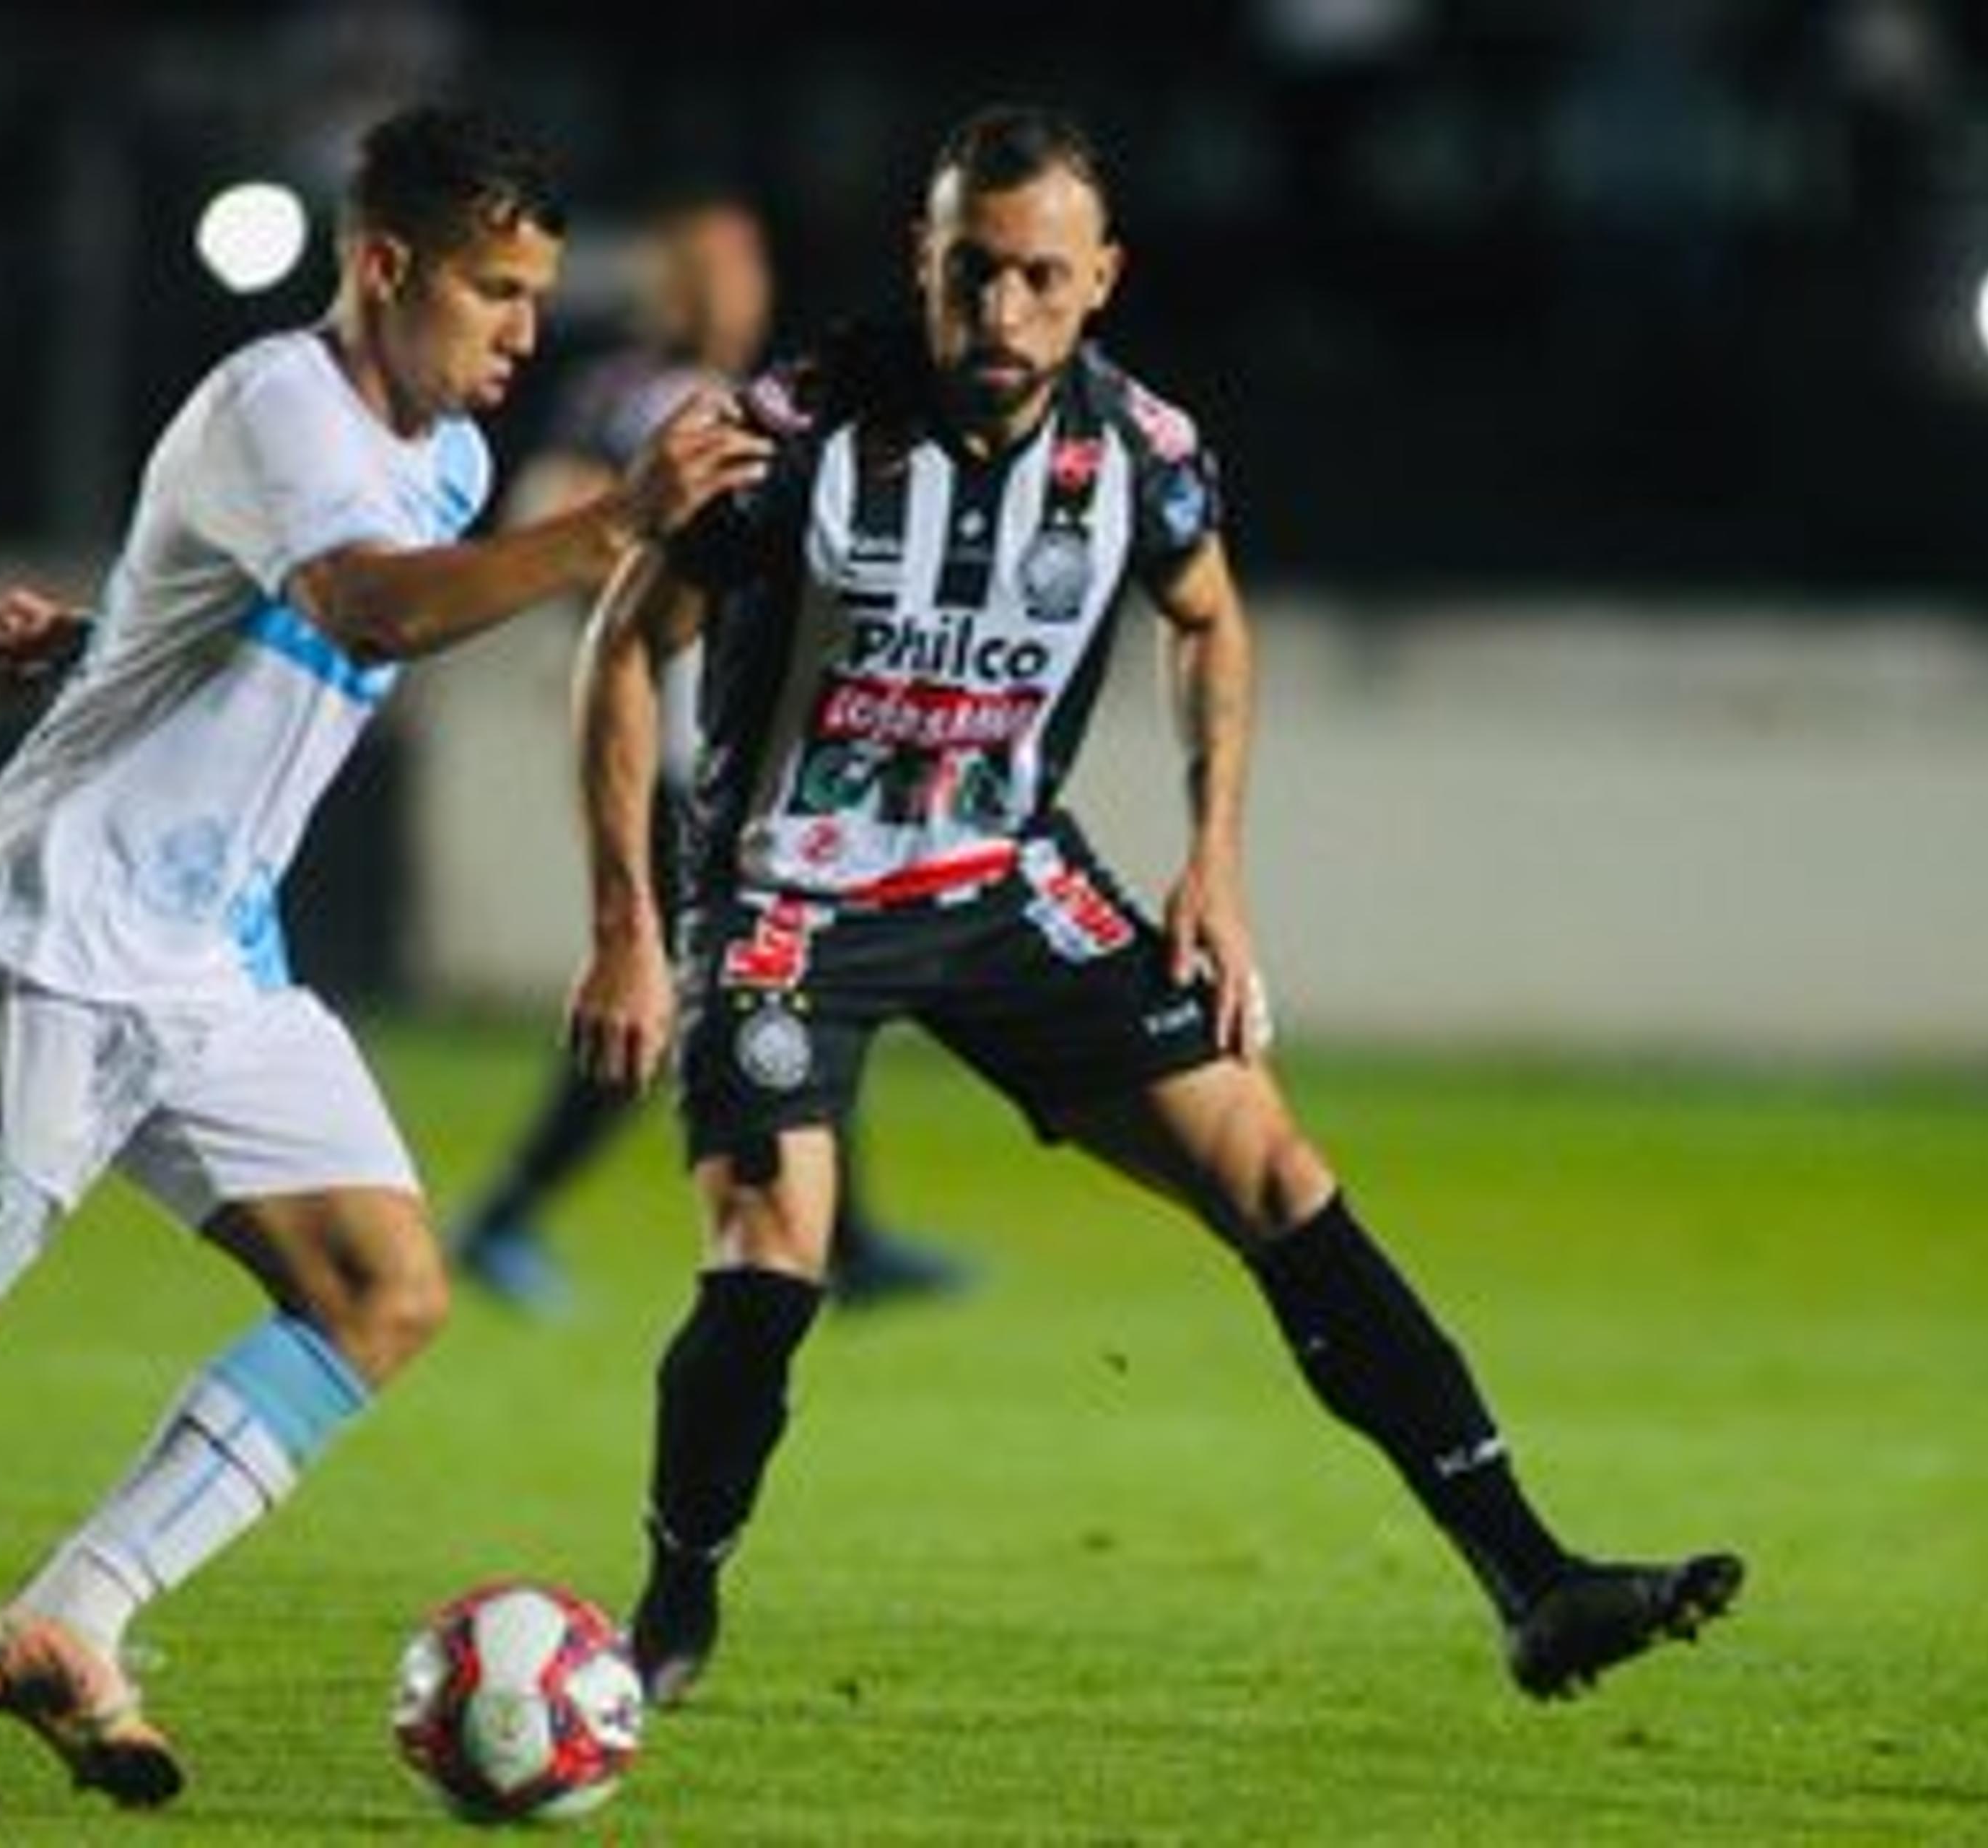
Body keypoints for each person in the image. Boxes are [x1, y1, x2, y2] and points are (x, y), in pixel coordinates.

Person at [0, 103, 763, 1808]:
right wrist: (618, 524)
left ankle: (80, 1609)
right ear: (383, 266)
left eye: (537, 297)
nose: (525, 332)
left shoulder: (440, 456)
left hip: (209, 963)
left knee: (384, 1289)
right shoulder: (274, 400)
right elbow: (365, 606)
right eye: (495, 292)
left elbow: (262, 618)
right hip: (47, 946)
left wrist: (97, 639)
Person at [564, 103, 1743, 1710]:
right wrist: (631, 922)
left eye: (1041, 279)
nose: (1001, 314)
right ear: (922, 257)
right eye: (972, 273)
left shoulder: (1139, 452)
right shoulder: (789, 437)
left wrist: (1215, 858)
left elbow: (1210, 617)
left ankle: (1531, 1577)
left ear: (1101, 278)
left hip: (1001, 879)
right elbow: (624, 646)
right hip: (788, 897)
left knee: (1278, 1167)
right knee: (776, 1248)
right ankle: (674, 1601)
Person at [451, 186, 972, 1316]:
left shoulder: (758, 399)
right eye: (722, 270)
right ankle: (506, 1212)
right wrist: (674, 570)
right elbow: (544, 522)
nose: (746, 291)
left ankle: (853, 1238)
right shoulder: (626, 394)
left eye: (754, 270)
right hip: (668, 749)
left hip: (744, 752)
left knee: (786, 972)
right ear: (678, 284)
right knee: (695, 992)